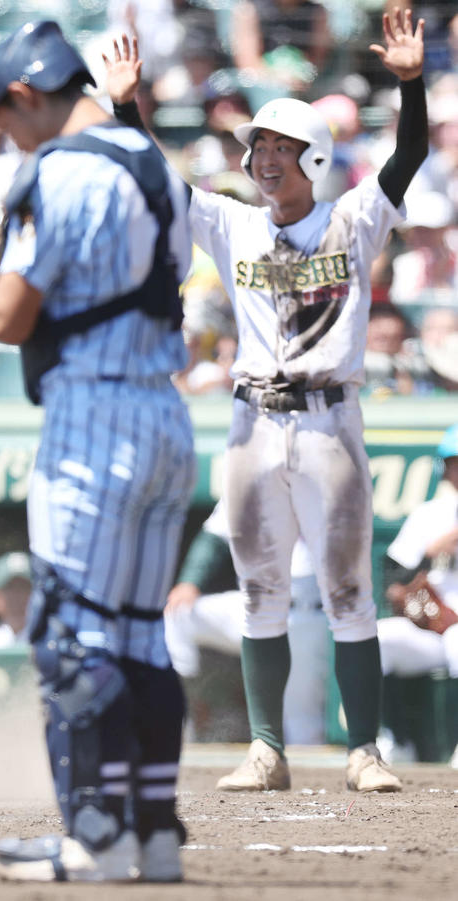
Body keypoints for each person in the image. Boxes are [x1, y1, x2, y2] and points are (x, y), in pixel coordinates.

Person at [105, 9, 429, 794]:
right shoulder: (232, 224)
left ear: (313, 155)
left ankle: (363, 751)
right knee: (260, 591)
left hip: (328, 418)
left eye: (281, 146)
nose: (264, 157)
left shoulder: (350, 221)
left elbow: (410, 153)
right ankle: (266, 748)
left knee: (347, 591)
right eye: (258, 146)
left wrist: (412, 87)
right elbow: (155, 182)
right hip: (253, 419)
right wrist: (126, 108)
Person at [0, 20, 197, 883]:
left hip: (94, 416)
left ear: (22, 95)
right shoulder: (159, 164)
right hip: (165, 414)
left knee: (72, 639)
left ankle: (93, 835)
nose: (10, 140)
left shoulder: (62, 169)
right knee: (138, 642)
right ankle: (153, 836)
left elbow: (8, 317)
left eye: (6, 123)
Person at [163, 499, 330, 747]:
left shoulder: (319, 479)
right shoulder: (249, 476)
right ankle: (181, 713)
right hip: (254, 607)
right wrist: (190, 581)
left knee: (304, 728)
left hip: (304, 615)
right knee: (178, 615)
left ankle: (311, 784)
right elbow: (214, 536)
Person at [377, 423, 458, 765]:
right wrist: (431, 552)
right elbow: (393, 579)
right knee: (377, 637)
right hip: (431, 630)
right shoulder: (430, 515)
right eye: (455, 461)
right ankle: (393, 740)